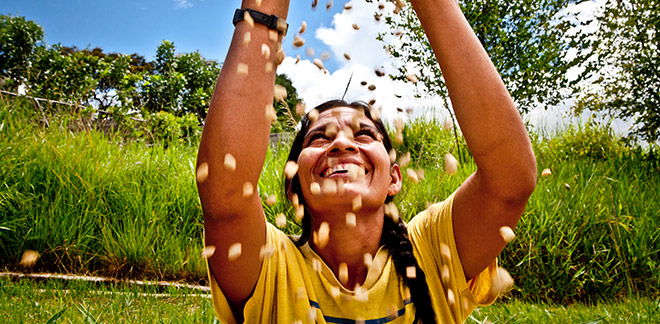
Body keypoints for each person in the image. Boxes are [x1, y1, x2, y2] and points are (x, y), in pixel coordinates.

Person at [196, 0, 537, 323]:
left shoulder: (433, 252)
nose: (342, 143)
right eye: (319, 137)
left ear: (395, 178)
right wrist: (264, 15)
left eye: (364, 135)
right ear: (293, 183)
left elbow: (509, 182)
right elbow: (225, 192)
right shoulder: (271, 268)